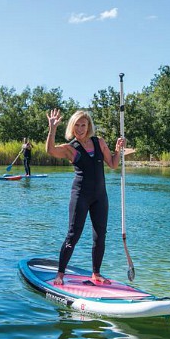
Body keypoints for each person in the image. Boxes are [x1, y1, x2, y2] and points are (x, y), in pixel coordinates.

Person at [46, 108, 125, 285]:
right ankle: (60, 274)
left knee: (100, 235)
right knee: (73, 235)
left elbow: (112, 164)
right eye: (77, 125)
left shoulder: (99, 142)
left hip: (100, 196)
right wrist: (52, 128)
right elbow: (50, 150)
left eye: (84, 124)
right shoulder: (71, 149)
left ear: (89, 126)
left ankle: (96, 273)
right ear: (72, 127)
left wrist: (118, 150)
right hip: (80, 195)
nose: (80, 128)